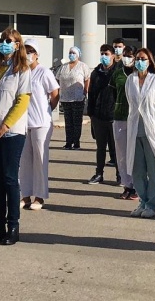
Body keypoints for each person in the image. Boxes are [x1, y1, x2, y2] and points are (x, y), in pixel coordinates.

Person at [0, 27, 31, 246]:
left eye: (8, 40)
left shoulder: (22, 70)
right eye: (2, 40)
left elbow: (22, 101)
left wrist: (3, 127)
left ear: (17, 44)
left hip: (12, 133)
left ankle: (13, 226)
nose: (4, 44)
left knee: (10, 178)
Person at [125, 48, 155, 219]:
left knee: (152, 170)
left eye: (143, 58)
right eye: (137, 58)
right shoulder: (131, 80)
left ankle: (151, 204)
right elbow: (131, 102)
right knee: (137, 170)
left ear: (150, 61)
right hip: (135, 129)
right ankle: (142, 202)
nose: (139, 61)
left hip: (152, 130)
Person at [19, 38, 59, 210]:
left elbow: (55, 93)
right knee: (24, 161)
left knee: (40, 159)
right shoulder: (21, 71)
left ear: (36, 54)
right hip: (23, 123)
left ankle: (39, 197)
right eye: (25, 51)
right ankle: (25, 195)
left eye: (30, 51)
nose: (27, 54)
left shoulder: (44, 72)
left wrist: (48, 110)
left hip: (41, 122)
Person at [86, 44, 118, 184]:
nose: (104, 56)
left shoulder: (118, 71)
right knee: (100, 148)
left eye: (107, 53)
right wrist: (91, 113)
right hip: (98, 116)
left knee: (116, 148)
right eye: (102, 54)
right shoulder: (96, 73)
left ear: (113, 55)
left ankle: (120, 174)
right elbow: (91, 93)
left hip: (114, 116)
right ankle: (99, 174)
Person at [111, 44, 138, 200]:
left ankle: (136, 186)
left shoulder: (139, 75)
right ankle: (127, 185)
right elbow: (114, 92)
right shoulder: (118, 74)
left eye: (130, 55)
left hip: (135, 119)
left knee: (135, 154)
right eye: (126, 55)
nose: (127, 58)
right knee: (121, 154)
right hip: (120, 117)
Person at [56, 46, 91, 150]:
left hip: (78, 98)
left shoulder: (83, 66)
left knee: (76, 121)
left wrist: (85, 91)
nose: (71, 55)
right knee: (68, 121)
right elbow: (57, 79)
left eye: (73, 53)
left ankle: (76, 142)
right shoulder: (63, 67)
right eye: (70, 52)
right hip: (65, 98)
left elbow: (87, 79)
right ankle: (68, 142)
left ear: (78, 54)